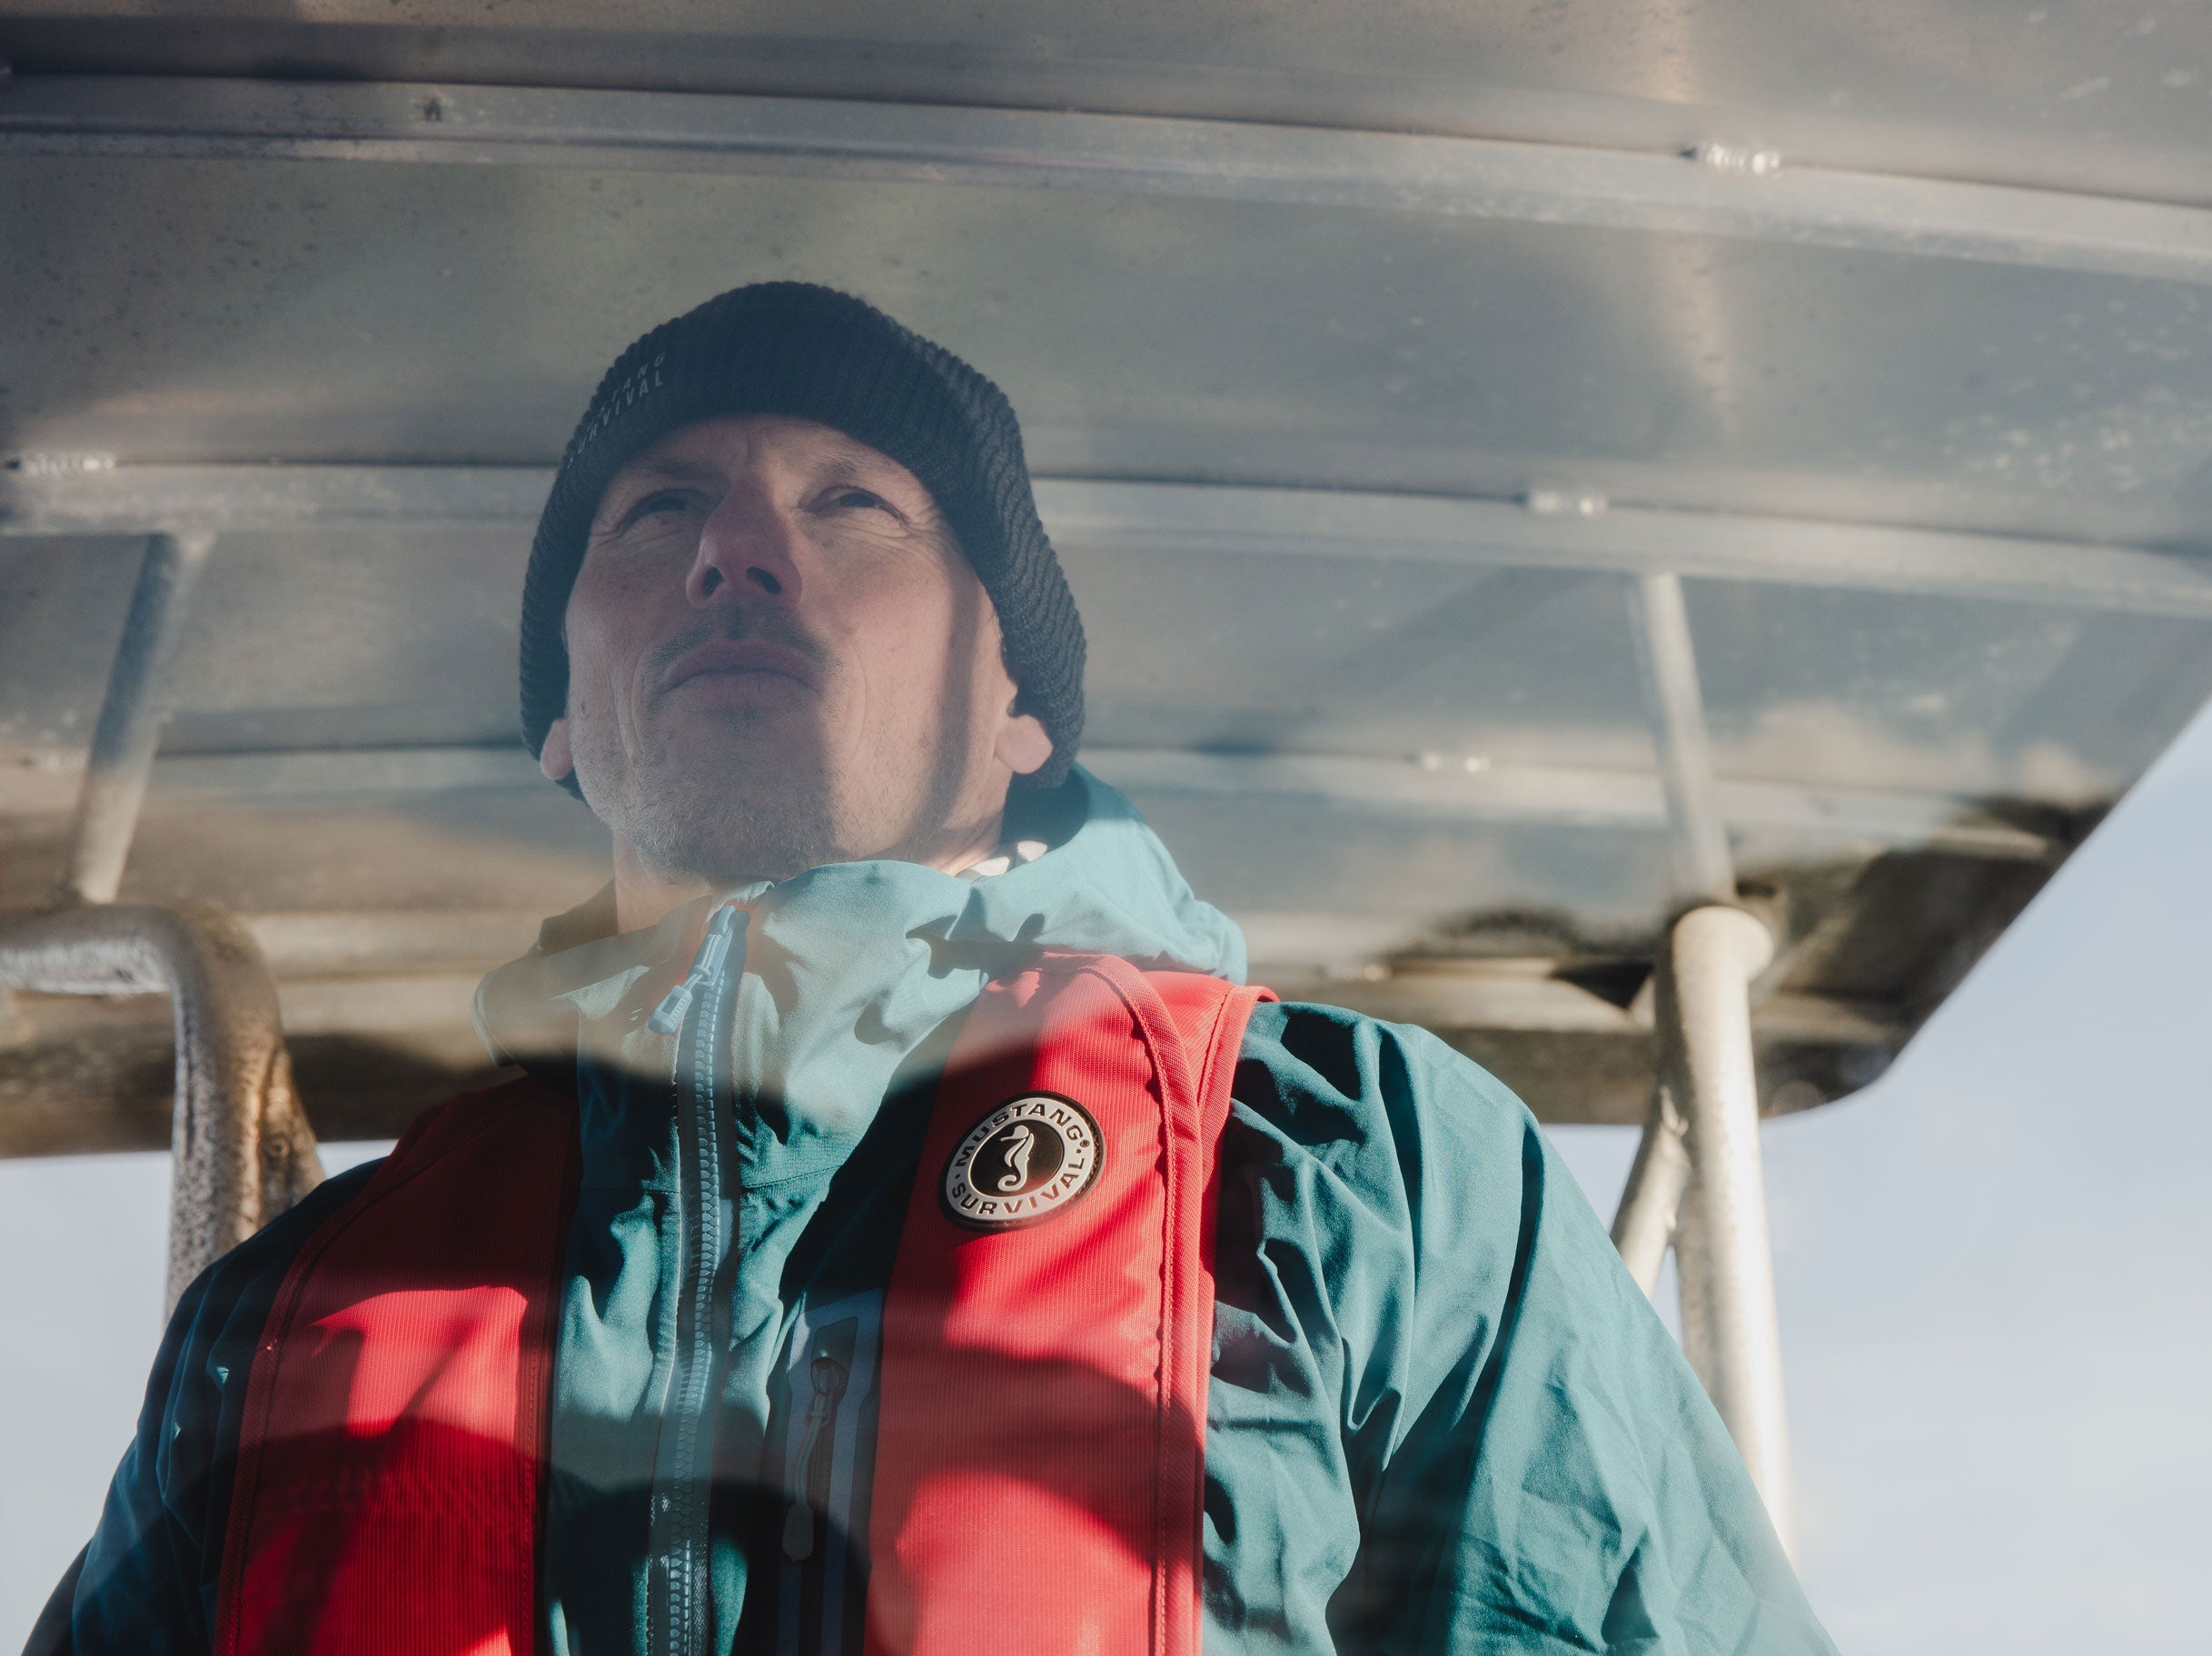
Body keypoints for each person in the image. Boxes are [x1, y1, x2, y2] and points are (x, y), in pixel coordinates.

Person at [44, 283, 1831, 1656]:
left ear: (1017, 714)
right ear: (563, 722)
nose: (738, 547)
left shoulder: (1357, 1166)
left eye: (855, 506)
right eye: (658, 512)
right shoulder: (282, 1322)